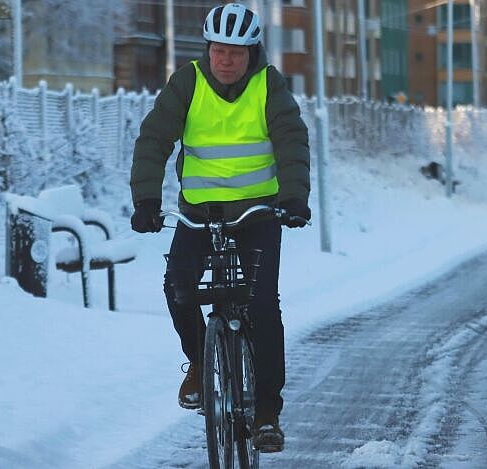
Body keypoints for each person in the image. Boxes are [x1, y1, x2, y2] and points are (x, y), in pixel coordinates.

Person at [128, 2, 311, 453]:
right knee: (178, 288)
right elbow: (154, 139)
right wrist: (146, 200)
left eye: (236, 53)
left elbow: (290, 140)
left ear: (252, 54)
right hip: (199, 212)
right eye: (218, 51)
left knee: (262, 305)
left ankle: (266, 412)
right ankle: (198, 361)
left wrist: (293, 198)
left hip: (258, 214)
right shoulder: (187, 82)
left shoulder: (269, 85)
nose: (226, 60)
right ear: (207, 50)